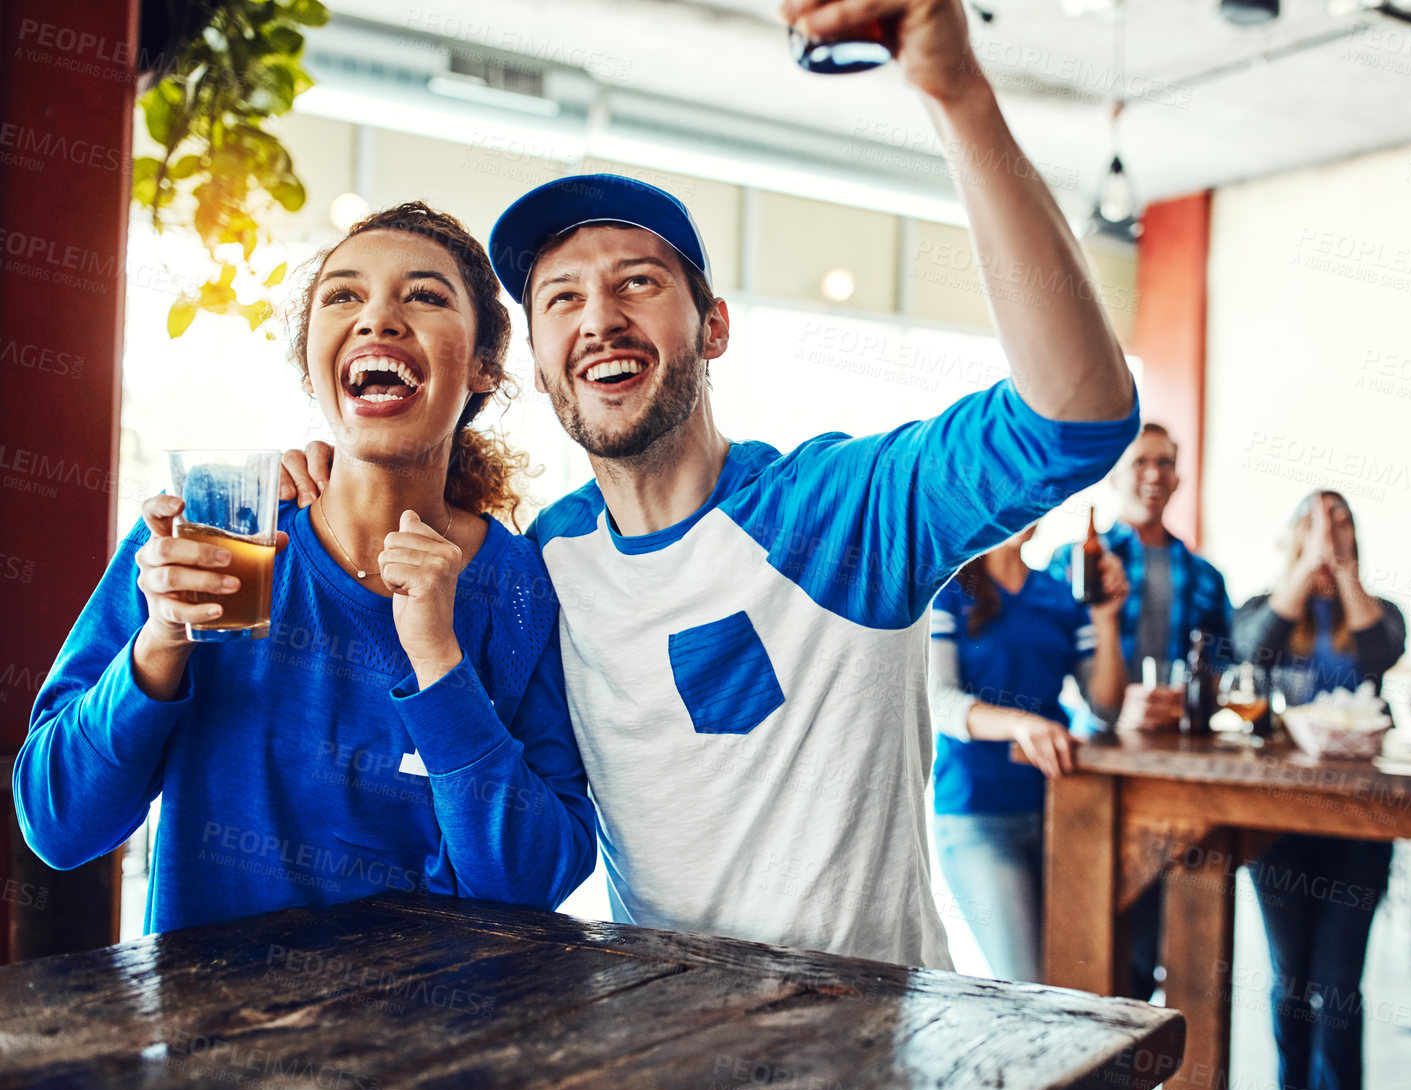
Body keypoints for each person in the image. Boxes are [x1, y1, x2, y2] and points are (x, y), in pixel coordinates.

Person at [286, 0, 1140, 968]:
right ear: (536, 363)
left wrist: (955, 94)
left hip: (861, 1078)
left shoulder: (837, 514)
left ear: (714, 327)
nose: (599, 317)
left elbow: (1075, 418)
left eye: (639, 282)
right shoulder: (542, 562)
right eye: (561, 298)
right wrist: (312, 485)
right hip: (664, 1069)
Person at [15, 204, 599, 933]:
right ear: (308, 361)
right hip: (214, 1037)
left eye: (423, 295)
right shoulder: (206, 538)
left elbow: (535, 880)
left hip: (441, 1041)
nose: (378, 319)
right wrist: (159, 644)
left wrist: (439, 663)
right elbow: (58, 826)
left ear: (485, 364)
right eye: (344, 295)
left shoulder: (519, 590)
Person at [1233, 489, 1406, 1090]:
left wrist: (1345, 572)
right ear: (1290, 539)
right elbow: (1251, 653)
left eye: (1341, 526)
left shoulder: (1381, 611)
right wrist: (1305, 571)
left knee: (1339, 987)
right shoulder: (1262, 606)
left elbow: (1378, 655)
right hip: (1279, 825)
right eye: (1313, 524)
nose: (1329, 538)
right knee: (1291, 979)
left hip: (1360, 826)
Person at [1046, 422, 1233, 1004]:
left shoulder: (1206, 577)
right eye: (1143, 461)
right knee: (1091, 941)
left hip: (1178, 774)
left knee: (1164, 944)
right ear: (1116, 474)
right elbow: (1049, 659)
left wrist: (1196, 699)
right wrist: (1107, 704)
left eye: (1167, 463)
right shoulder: (1073, 562)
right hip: (1093, 768)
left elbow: (1230, 672)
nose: (1155, 474)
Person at [927, 524, 1128, 981]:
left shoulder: (1059, 596)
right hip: (978, 815)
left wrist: (1106, 617)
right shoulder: (950, 589)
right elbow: (939, 701)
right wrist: (1021, 723)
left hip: (1063, 811)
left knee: (1080, 977)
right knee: (1027, 986)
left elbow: (1106, 707)